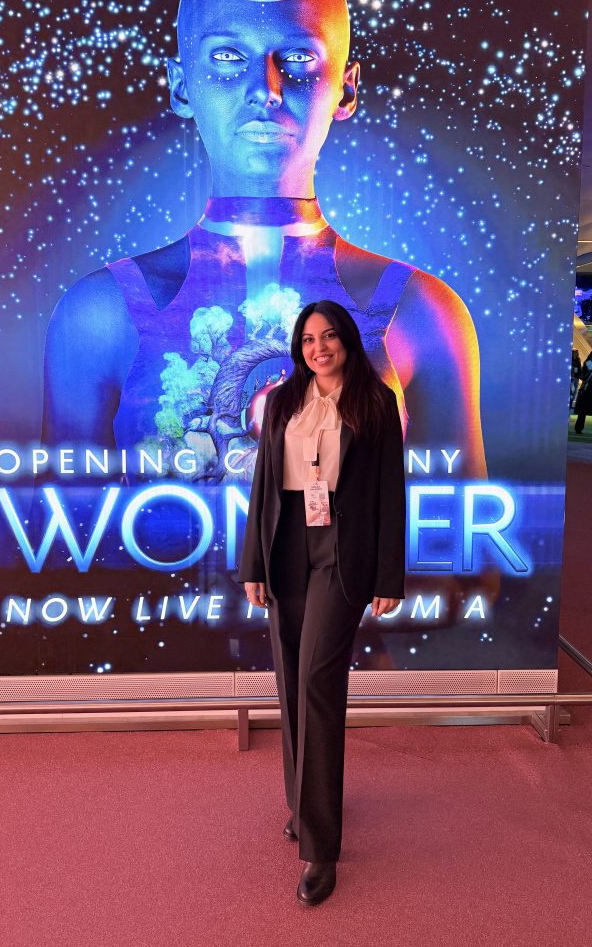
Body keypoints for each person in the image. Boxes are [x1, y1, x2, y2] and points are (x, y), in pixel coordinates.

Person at [42, 0, 486, 483]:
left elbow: (464, 528)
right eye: (228, 57)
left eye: (298, 57)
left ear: (345, 88)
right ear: (181, 86)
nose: (265, 88)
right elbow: (62, 527)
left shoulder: (423, 311)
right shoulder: (100, 311)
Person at [238, 299, 405, 906]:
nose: (319, 348)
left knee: (316, 681)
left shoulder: (375, 402)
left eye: (329, 336)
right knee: (289, 681)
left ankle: (321, 848)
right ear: (298, 348)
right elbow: (263, 486)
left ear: (347, 341)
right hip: (286, 546)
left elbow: (391, 494)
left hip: (344, 551)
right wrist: (252, 564)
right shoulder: (283, 401)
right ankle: (304, 806)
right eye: (308, 339)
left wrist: (389, 576)